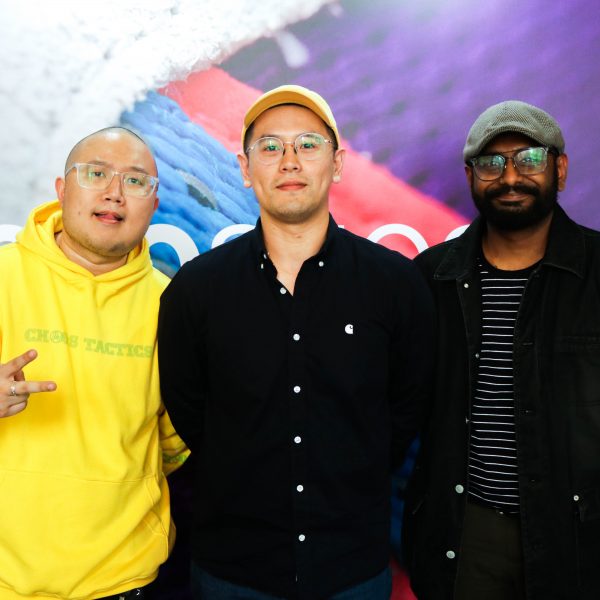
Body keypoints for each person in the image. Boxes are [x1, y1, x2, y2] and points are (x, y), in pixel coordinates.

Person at [157, 84, 434, 600]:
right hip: (233, 575)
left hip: (352, 573)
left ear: (337, 163)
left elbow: (406, 410)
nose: (290, 160)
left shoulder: (395, 285)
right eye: (270, 146)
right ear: (244, 169)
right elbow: (191, 413)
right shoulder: (196, 290)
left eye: (308, 144)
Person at [403, 100, 600, 600]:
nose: (511, 177)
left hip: (579, 538)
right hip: (468, 536)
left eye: (529, 159)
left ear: (560, 168)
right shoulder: (432, 277)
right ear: (471, 177)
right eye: (492, 164)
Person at [0, 127, 188, 599]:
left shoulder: (174, 307)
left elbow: (177, 443)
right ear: (62, 190)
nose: (114, 193)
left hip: (125, 579)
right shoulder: (3, 277)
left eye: (135, 181)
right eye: (96, 173)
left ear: (154, 204)